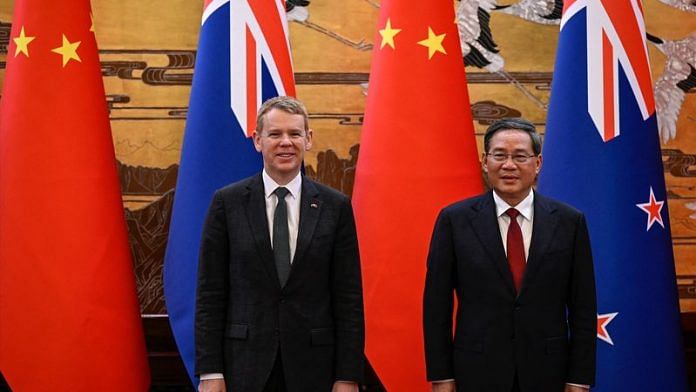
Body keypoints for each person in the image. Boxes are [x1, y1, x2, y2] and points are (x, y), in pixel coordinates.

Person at [195, 96, 365, 392]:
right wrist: (210, 370)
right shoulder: (228, 203)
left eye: (294, 134)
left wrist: (347, 375)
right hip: (244, 367)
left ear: (308, 139)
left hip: (315, 369)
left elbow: (348, 298)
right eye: (275, 134)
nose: (285, 142)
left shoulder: (335, 207)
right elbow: (211, 293)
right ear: (258, 140)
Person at [423, 118, 596, 392]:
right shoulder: (454, 221)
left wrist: (579, 379)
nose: (509, 165)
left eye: (520, 156)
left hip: (548, 373)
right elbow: (436, 308)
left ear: (537, 163)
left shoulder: (568, 222)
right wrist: (441, 376)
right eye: (499, 155)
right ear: (485, 160)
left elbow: (583, 308)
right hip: (476, 372)